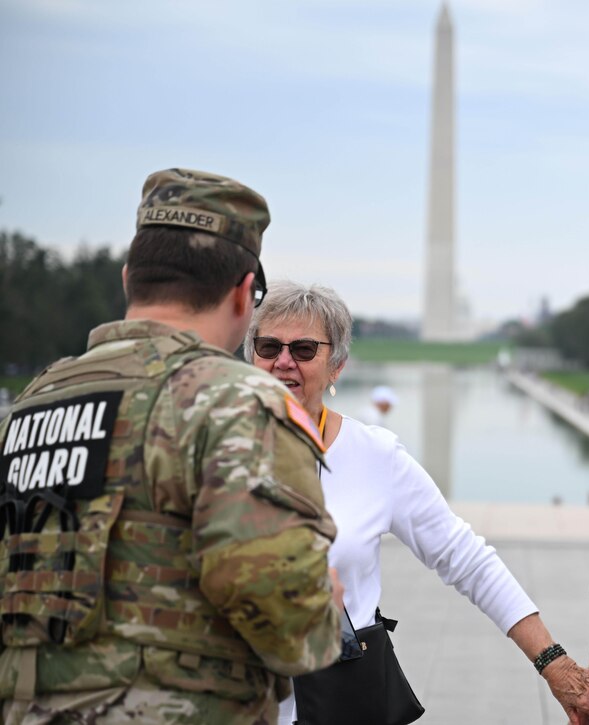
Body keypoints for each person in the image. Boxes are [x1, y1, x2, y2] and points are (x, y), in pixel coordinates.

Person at [0, 169, 343, 723]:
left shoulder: (34, 402)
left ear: (130, 278)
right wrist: (325, 598)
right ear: (241, 294)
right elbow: (292, 629)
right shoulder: (236, 402)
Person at [245, 280, 589, 725]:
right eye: (269, 346)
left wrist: (554, 663)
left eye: (304, 349)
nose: (283, 362)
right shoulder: (211, 446)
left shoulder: (374, 455)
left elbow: (466, 559)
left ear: (337, 366)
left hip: (336, 700)